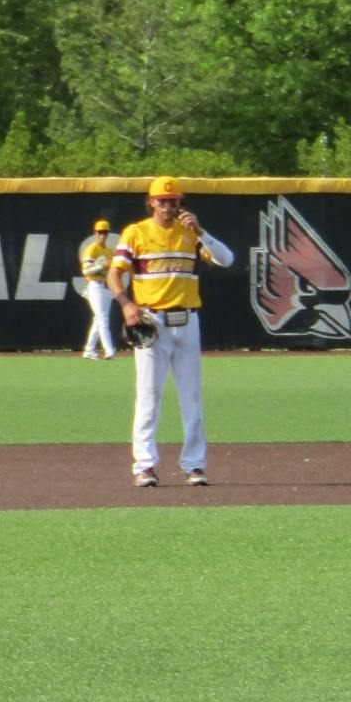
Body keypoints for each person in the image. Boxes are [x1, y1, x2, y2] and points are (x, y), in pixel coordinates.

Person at [107, 175, 235, 489]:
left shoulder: (191, 234)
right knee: (149, 396)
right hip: (151, 322)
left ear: (181, 204)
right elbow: (114, 273)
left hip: (187, 321)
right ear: (151, 202)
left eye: (173, 201)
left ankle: (195, 464)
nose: (167, 206)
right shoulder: (136, 232)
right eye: (162, 201)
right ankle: (145, 466)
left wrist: (201, 232)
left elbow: (227, 260)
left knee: (192, 396)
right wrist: (125, 303)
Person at [76, 218, 119, 359]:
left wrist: (108, 268)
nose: (102, 235)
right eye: (100, 232)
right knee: (102, 319)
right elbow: (86, 271)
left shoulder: (110, 251)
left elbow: (112, 270)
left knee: (98, 319)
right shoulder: (91, 249)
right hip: (95, 286)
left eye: (105, 232)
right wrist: (102, 266)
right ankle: (109, 350)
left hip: (107, 287)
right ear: (95, 233)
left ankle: (89, 349)